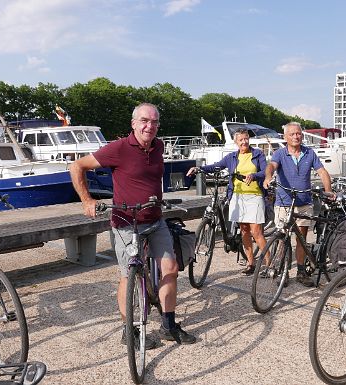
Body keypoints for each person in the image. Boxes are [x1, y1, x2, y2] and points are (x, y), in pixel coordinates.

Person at [69, 103, 196, 348]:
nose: (150, 126)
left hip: (155, 219)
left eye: (155, 122)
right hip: (126, 223)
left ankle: (168, 325)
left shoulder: (158, 146)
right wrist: (87, 200)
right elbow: (77, 166)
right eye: (145, 121)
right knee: (129, 275)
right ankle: (129, 331)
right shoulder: (118, 148)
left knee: (170, 269)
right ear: (134, 123)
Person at [186, 128, 267, 275]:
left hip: (254, 195)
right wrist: (199, 168)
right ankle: (251, 263)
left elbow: (265, 172)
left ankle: (270, 264)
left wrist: (254, 175)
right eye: (241, 139)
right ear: (236, 142)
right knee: (244, 230)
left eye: (246, 138)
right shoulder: (231, 157)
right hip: (237, 196)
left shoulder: (257, 154)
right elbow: (216, 166)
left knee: (256, 232)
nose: (244, 141)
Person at [262, 122, 333, 287]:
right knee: (282, 238)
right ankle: (283, 270)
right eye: (292, 134)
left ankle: (301, 271)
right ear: (286, 137)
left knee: (301, 238)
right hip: (283, 202)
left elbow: (322, 171)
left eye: (299, 134)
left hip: (304, 202)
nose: (296, 136)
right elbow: (271, 166)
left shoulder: (309, 153)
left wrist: (328, 190)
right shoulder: (280, 154)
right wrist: (267, 178)